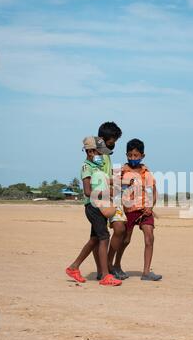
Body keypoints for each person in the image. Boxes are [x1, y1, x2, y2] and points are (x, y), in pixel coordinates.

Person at [65, 136, 122, 286]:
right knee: (104, 238)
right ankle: (105, 276)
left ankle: (74, 267)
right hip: (92, 206)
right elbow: (88, 191)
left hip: (100, 206)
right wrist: (108, 193)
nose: (102, 155)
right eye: (99, 152)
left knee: (94, 239)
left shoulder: (97, 165)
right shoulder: (86, 167)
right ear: (90, 151)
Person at [115, 138, 162, 281]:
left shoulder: (146, 173)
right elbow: (115, 190)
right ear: (126, 155)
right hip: (128, 210)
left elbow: (153, 192)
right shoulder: (122, 172)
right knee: (126, 240)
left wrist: (150, 207)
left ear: (142, 156)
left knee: (150, 238)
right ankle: (116, 266)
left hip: (145, 210)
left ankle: (146, 272)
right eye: (130, 155)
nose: (133, 158)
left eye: (136, 155)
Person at [93, 122, 129, 281]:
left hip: (112, 197)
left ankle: (108, 263)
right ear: (102, 139)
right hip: (100, 199)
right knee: (98, 237)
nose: (114, 144)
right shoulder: (95, 156)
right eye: (112, 141)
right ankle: (102, 270)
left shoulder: (107, 155)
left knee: (120, 229)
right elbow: (97, 178)